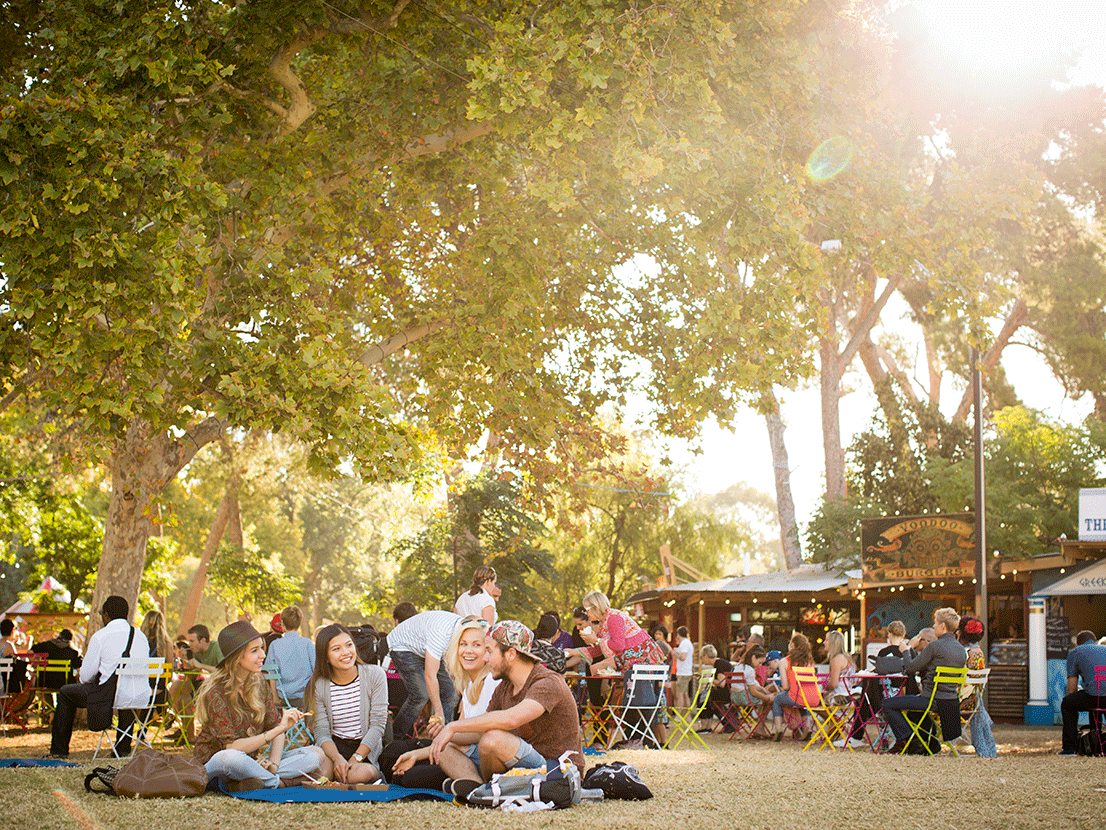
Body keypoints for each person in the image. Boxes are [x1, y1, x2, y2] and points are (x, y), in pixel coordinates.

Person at [400, 620, 583, 801]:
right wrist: (445, 735)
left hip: (556, 770)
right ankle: (481, 790)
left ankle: (487, 791)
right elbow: (479, 731)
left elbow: (511, 719)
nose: (485, 658)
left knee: (492, 739)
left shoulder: (547, 682)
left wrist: (453, 727)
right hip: (520, 765)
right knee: (446, 748)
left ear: (510, 654)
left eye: (489, 651)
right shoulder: (504, 687)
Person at [194, 620, 323, 790]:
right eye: (255, 650)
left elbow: (275, 725)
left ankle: (255, 779)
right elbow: (233, 746)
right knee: (231, 758)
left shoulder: (260, 683)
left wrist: (273, 764)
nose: (263, 654)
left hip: (249, 763)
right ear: (237, 658)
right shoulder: (216, 692)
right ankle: (279, 783)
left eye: (261, 648)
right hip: (218, 762)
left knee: (315, 754)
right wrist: (278, 729)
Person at [387, 616, 501, 789]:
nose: (468, 651)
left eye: (476, 645)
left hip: (481, 758)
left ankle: (474, 786)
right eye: (463, 644)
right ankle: (460, 783)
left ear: (487, 651)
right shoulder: (468, 684)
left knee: (407, 777)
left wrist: (446, 731)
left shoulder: (492, 682)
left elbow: (482, 734)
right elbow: (460, 734)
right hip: (460, 752)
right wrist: (417, 754)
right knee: (394, 755)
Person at [49, 595, 150, 759]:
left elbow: (86, 676)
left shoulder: (101, 636)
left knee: (66, 692)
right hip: (140, 697)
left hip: (110, 697)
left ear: (106, 615)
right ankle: (122, 749)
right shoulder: (140, 636)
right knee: (125, 693)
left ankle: (59, 751)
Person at [579, 590, 667, 748]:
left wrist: (596, 640)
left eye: (587, 609)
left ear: (595, 607)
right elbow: (607, 649)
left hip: (642, 659)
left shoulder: (613, 618)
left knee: (641, 702)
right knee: (639, 702)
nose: (586, 613)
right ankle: (641, 740)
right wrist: (577, 651)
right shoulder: (605, 621)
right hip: (635, 661)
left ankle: (645, 740)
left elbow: (618, 646)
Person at [881, 607, 967, 755]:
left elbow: (910, 668)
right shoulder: (960, 650)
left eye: (935, 623)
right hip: (950, 701)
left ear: (942, 626)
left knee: (887, 704)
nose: (933, 627)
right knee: (915, 712)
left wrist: (906, 650)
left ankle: (911, 741)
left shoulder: (934, 646)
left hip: (932, 700)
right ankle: (932, 744)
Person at [309, 623, 388, 784]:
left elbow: (378, 726)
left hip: (364, 748)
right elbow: (321, 732)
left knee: (358, 775)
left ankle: (367, 774)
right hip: (333, 747)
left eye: (349, 645)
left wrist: (355, 759)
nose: (346, 653)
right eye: (336, 649)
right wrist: (337, 758)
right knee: (321, 774)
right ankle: (278, 783)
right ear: (326, 657)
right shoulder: (319, 685)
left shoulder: (375, 675)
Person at [387, 609, 463, 739]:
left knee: (451, 692)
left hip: (423, 646)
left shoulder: (465, 631)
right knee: (421, 695)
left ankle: (445, 738)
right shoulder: (441, 634)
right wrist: (438, 713)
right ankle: (394, 738)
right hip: (403, 646)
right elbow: (430, 676)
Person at [168, 623, 225, 743]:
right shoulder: (197, 652)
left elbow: (224, 671)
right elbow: (192, 676)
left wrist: (201, 666)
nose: (189, 644)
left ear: (203, 640)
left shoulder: (216, 648)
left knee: (184, 700)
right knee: (176, 688)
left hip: (221, 687)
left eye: (192, 641)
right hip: (206, 685)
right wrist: (185, 660)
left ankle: (190, 734)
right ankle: (188, 734)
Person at [1058, 629, 1106, 756]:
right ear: (1095, 641)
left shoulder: (1075, 652)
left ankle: (1069, 748)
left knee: (1068, 704)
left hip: (1092, 696)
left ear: (1078, 643)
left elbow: (1072, 688)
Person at [262, 605, 316, 709]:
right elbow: (316, 670)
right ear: (299, 623)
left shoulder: (275, 645)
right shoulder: (308, 644)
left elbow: (271, 673)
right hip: (305, 698)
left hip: (284, 698)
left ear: (282, 623)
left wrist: (275, 698)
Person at [769, 633, 816, 740]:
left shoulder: (785, 661)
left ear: (792, 646)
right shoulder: (810, 661)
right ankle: (806, 728)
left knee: (777, 699)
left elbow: (785, 687)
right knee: (804, 701)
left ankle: (778, 729)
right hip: (813, 698)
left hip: (796, 697)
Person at [733, 645, 776, 737]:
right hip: (744, 698)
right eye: (760, 662)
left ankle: (759, 728)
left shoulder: (739, 666)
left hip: (735, 697)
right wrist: (767, 698)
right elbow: (753, 692)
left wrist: (763, 691)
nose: (760, 665)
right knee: (766, 701)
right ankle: (759, 728)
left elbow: (750, 686)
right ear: (753, 657)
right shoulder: (750, 670)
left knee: (764, 698)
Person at [697, 644, 734, 732]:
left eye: (701, 657)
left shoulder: (719, 664)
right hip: (729, 691)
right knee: (707, 696)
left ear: (706, 656)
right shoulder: (720, 662)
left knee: (702, 697)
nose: (702, 660)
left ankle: (705, 726)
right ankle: (707, 726)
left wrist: (706, 678)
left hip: (726, 693)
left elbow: (721, 683)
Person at [672, 626, 694, 710]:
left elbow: (683, 657)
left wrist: (676, 653)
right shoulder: (687, 642)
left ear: (678, 634)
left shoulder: (684, 643)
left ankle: (678, 714)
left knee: (679, 694)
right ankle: (686, 716)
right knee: (685, 694)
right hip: (686, 672)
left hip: (683, 672)